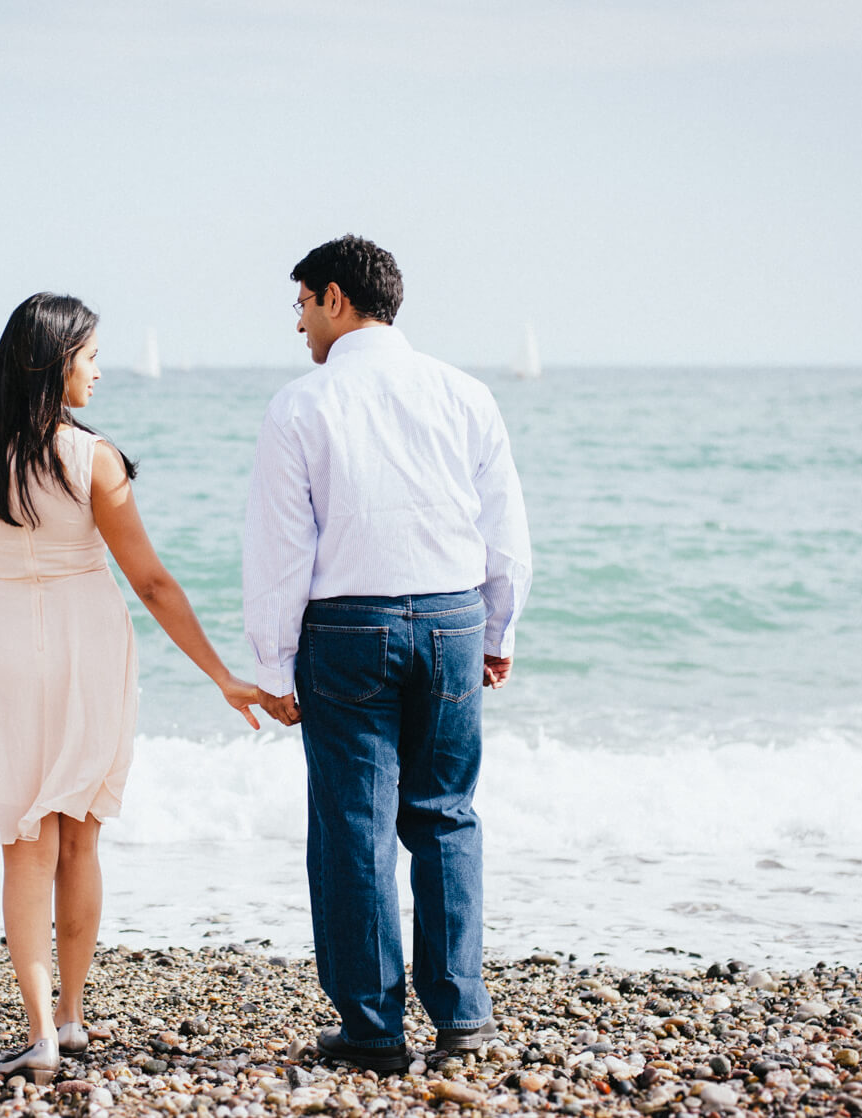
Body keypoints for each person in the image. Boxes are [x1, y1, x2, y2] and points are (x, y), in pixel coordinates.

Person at [0, 292, 262, 1084]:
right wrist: (222, 677)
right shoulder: (92, 458)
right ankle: (71, 1017)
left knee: (23, 848)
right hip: (89, 644)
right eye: (91, 357)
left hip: (1, 645)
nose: (100, 372)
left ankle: (41, 1031)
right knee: (77, 835)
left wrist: (3, 643)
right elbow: (151, 580)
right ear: (55, 361)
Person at [242, 236, 532, 1072]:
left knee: (353, 826)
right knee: (445, 815)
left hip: (347, 630)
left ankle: (372, 1030)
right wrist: (498, 629)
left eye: (300, 304)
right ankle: (462, 1017)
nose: (298, 325)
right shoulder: (465, 393)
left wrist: (274, 664)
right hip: (450, 620)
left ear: (335, 297)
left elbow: (280, 550)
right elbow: (502, 528)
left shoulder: (301, 404)